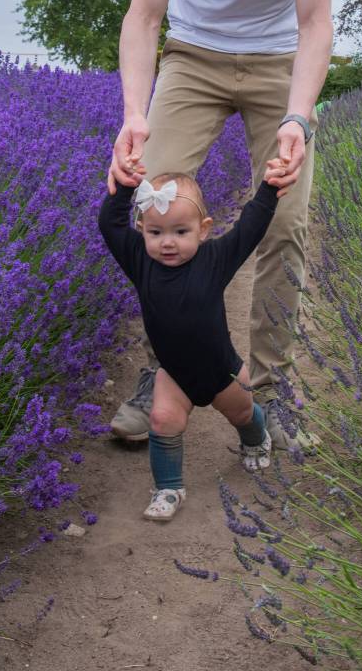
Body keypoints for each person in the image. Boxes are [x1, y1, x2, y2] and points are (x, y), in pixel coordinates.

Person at [107, 0, 335, 450]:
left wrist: (297, 117)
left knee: (285, 223)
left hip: (274, 62)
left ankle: (269, 391)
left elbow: (314, 21)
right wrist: (135, 114)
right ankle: (163, 374)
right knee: (150, 203)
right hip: (195, 56)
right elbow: (144, 14)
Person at [99, 159, 290, 520]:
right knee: (161, 419)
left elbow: (250, 227)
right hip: (174, 373)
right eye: (155, 233)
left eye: (180, 232)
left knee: (243, 414)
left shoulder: (215, 259)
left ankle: (256, 438)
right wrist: (124, 186)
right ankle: (168, 487)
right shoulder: (140, 260)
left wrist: (268, 188)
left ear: (203, 230)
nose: (167, 243)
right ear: (141, 230)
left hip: (223, 372)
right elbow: (108, 224)